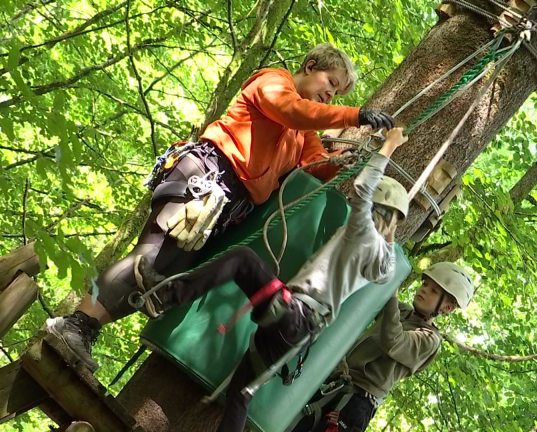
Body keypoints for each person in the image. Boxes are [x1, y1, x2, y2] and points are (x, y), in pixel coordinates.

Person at [45, 43, 396, 372]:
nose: (331, 95)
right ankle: (74, 323)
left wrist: (342, 160)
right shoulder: (274, 82)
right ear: (310, 66)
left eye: (337, 94)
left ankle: (86, 331)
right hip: (206, 177)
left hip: (227, 206)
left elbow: (313, 165)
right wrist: (354, 116)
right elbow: (292, 111)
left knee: (162, 278)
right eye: (330, 83)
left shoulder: (302, 133)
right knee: (149, 258)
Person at [133, 127, 410, 432]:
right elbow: (382, 249)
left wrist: (389, 147)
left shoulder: (364, 234)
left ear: (376, 208)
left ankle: (166, 297)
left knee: (243, 260)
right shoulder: (384, 261)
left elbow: (363, 187)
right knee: (240, 394)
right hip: (300, 332)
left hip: (293, 313)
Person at [288, 261, 475, 432]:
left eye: (434, 291)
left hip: (355, 405)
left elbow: (393, 340)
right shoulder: (402, 311)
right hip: (332, 384)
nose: (424, 290)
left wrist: (392, 292)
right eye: (425, 284)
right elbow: (373, 293)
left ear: (447, 308)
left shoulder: (429, 339)